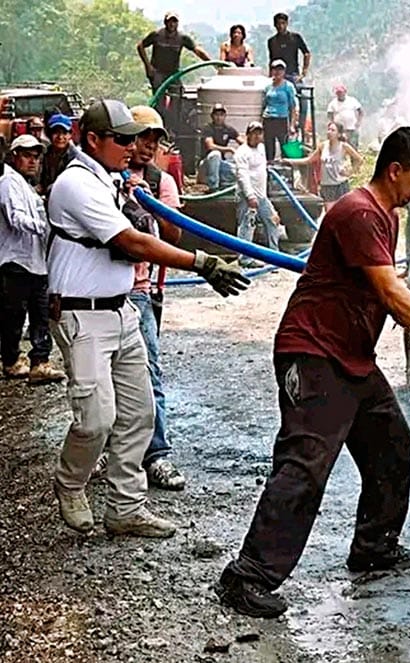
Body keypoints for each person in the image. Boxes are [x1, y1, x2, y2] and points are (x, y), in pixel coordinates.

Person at [215, 126, 410, 618]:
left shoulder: (387, 217)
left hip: (352, 358)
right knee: (305, 466)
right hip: (314, 355)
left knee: (392, 447)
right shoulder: (359, 212)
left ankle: (374, 549)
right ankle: (247, 576)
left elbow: (390, 289)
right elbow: (390, 295)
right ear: (394, 169)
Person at [47, 99, 249, 538]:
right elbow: (132, 242)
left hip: (122, 310)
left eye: (134, 138)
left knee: (138, 414)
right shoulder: (76, 185)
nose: (131, 145)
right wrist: (203, 263)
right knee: (96, 419)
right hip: (84, 317)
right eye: (121, 139)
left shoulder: (116, 180)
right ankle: (71, 481)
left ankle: (126, 507)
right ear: (93, 140)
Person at [124, 105, 186, 490]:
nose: (148, 146)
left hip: (140, 292)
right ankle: (112, 451)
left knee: (149, 374)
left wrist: (153, 203)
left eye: (154, 140)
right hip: (100, 292)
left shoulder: (160, 182)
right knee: (105, 380)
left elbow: (175, 236)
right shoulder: (102, 177)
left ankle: (156, 455)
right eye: (142, 137)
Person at [0, 135, 66, 384]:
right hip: (16, 261)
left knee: (40, 314)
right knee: (13, 316)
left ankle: (40, 361)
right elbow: (15, 218)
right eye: (27, 155)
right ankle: (11, 360)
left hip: (35, 261)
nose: (33, 161)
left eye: (36, 156)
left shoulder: (27, 186)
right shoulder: (8, 183)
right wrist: (45, 226)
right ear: (15, 156)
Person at [136, 12, 212, 133]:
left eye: (174, 22)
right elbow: (140, 45)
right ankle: (160, 125)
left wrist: (211, 62)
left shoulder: (182, 38)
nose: (172, 24)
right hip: (158, 72)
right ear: (165, 22)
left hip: (173, 72)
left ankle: (174, 126)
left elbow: (197, 50)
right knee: (159, 100)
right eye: (170, 21)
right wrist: (148, 66)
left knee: (178, 96)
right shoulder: (157, 35)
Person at [281, 121, 362, 211]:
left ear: (339, 134)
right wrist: (289, 161)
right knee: (329, 212)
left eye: (333, 130)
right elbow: (309, 160)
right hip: (327, 185)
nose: (329, 132)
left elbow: (359, 159)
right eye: (329, 129)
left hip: (340, 184)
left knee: (343, 211)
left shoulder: (344, 147)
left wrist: (350, 172)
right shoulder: (323, 146)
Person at [234, 121, 282, 266]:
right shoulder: (242, 153)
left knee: (274, 221)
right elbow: (242, 175)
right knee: (247, 226)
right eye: (253, 133)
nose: (256, 136)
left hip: (262, 195)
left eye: (259, 133)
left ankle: (275, 254)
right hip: (247, 196)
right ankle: (244, 258)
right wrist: (250, 196)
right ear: (247, 134)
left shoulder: (261, 148)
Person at [261, 59, 298, 163]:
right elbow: (264, 104)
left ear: (284, 71)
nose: (277, 72)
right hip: (268, 118)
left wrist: (292, 125)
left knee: (284, 144)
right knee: (269, 145)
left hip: (281, 119)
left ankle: (286, 167)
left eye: (280, 69)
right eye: (275, 69)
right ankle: (269, 167)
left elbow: (293, 106)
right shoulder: (268, 86)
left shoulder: (288, 86)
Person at [200, 103, 241, 191]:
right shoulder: (207, 128)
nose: (219, 118)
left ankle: (224, 182)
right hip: (207, 164)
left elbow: (241, 141)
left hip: (221, 164)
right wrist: (229, 149)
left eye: (221, 115)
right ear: (212, 116)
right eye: (216, 115)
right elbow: (210, 146)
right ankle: (213, 187)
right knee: (215, 154)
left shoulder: (228, 129)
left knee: (238, 171)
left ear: (225, 116)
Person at [39, 113, 78, 196]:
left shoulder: (75, 157)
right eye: (56, 133)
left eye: (64, 133)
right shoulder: (46, 153)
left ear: (70, 135)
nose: (60, 137)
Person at [267, 12, 310, 86]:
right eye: (278, 23)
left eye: (283, 23)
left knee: (299, 93)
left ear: (287, 23)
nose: (281, 26)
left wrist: (304, 72)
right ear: (275, 25)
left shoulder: (295, 37)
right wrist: (271, 76)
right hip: (278, 75)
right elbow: (271, 60)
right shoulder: (272, 41)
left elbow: (306, 53)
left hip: (293, 74)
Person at [326, 85, 363, 149]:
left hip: (352, 128)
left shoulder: (352, 100)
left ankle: (354, 158)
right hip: (340, 130)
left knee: (353, 147)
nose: (340, 94)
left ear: (345, 92)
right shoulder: (333, 103)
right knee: (340, 147)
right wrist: (332, 125)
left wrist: (358, 122)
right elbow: (329, 115)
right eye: (338, 93)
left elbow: (361, 112)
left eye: (341, 92)